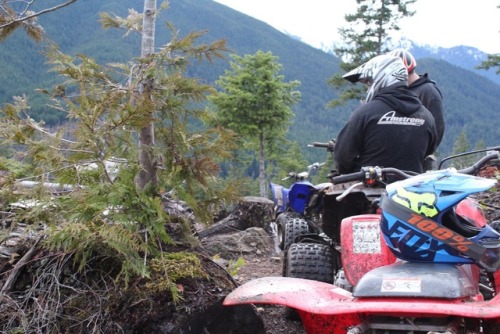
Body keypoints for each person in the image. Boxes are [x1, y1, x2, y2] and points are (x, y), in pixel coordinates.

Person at [333, 54, 438, 178]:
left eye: (368, 83)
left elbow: (342, 157)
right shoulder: (426, 116)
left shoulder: (365, 113)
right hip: (411, 190)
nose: (368, 89)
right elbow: (428, 151)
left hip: (368, 190)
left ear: (381, 78)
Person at [388, 49, 445, 150]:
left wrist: (423, 151)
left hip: (418, 156)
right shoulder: (401, 90)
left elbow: (437, 129)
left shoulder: (428, 92)